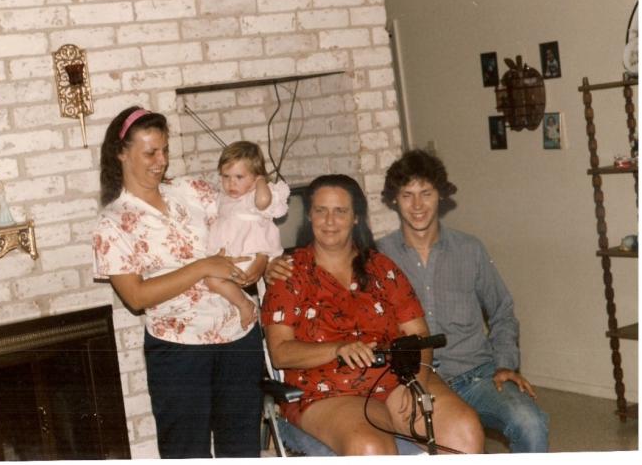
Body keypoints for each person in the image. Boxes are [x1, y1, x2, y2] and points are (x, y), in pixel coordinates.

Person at [261, 174, 484, 456]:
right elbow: (280, 352)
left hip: (397, 379)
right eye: (321, 210)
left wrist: (417, 380)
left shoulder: (382, 267)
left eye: (340, 211)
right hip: (329, 389)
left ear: (356, 217)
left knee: (465, 431)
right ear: (309, 216)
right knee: (371, 447)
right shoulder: (289, 273)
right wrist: (338, 349)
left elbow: (419, 335)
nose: (329, 221)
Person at [91, 106, 265, 458]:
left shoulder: (192, 190)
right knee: (186, 452)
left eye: (165, 150)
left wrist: (262, 261)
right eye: (150, 153)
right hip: (179, 350)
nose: (162, 161)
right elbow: (136, 297)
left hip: (239, 336)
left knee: (243, 448)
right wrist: (201, 267)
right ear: (121, 153)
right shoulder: (112, 223)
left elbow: (249, 220)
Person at [376, 148, 549, 453]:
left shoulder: (470, 249)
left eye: (426, 193)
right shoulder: (378, 256)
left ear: (441, 195)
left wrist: (505, 364)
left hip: (476, 376)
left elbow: (502, 311)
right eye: (407, 195)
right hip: (412, 381)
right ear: (394, 200)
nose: (417, 205)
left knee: (531, 422)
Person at [206, 141, 289, 330]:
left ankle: (244, 305)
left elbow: (264, 201)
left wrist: (260, 182)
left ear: (255, 177)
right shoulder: (224, 198)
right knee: (210, 280)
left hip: (248, 255)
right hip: (230, 256)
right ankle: (244, 304)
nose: (231, 183)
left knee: (213, 279)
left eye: (239, 177)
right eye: (226, 176)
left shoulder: (254, 196)